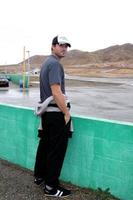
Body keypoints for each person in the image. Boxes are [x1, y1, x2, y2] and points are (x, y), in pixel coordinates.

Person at [34, 35, 72, 198]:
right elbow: (56, 91)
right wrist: (66, 112)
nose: (64, 48)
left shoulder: (46, 63)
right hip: (56, 114)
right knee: (56, 150)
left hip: (47, 115)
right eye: (60, 45)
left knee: (45, 145)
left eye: (66, 46)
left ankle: (40, 176)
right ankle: (51, 187)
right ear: (53, 46)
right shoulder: (55, 64)